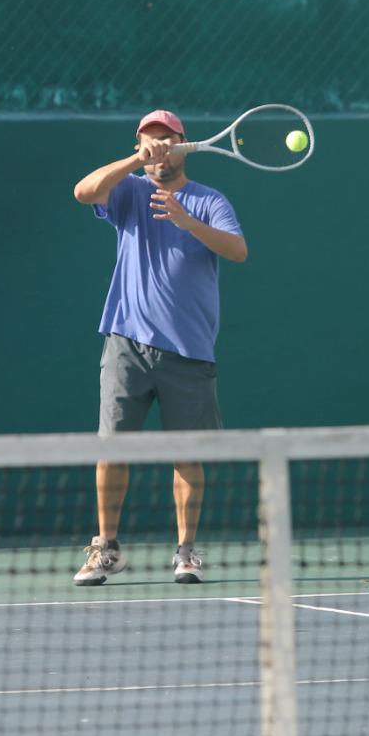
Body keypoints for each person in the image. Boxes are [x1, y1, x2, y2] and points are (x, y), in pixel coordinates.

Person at [70, 109, 248, 586]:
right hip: (126, 343)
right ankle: (105, 548)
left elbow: (237, 250)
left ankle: (186, 552)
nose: (158, 147)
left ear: (182, 144)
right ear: (140, 144)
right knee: (111, 451)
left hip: (188, 351)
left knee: (187, 456)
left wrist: (189, 222)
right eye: (149, 139)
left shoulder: (209, 201)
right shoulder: (128, 192)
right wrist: (133, 161)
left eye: (165, 139)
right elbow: (84, 191)